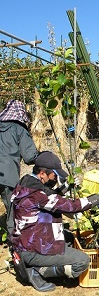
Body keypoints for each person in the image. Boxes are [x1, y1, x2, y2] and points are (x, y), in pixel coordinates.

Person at [9, 151, 99, 292]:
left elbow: (47, 198)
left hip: (25, 241)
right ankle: (38, 270)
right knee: (82, 261)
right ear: (42, 173)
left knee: (67, 237)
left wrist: (65, 187)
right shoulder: (37, 194)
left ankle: (35, 263)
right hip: (32, 249)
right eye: (54, 175)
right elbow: (70, 206)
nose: (55, 178)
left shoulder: (26, 183)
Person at [0, 99, 38, 234]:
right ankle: (14, 246)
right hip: (8, 177)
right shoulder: (19, 129)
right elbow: (29, 157)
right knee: (12, 210)